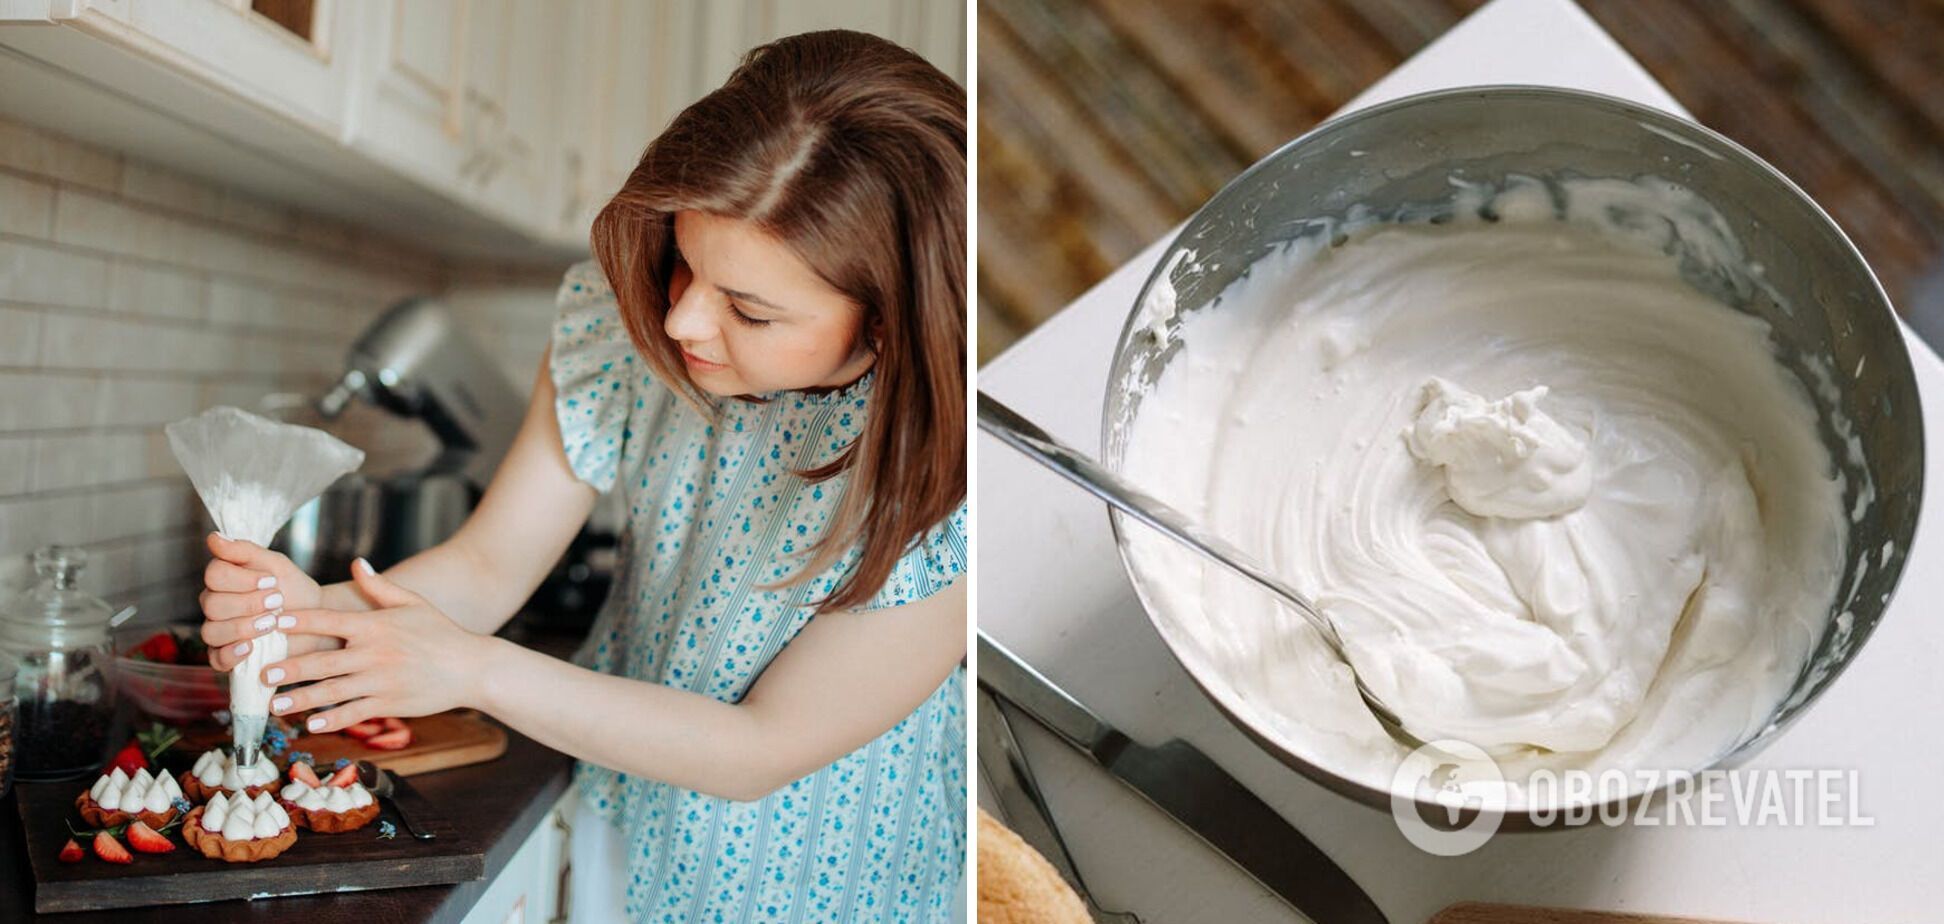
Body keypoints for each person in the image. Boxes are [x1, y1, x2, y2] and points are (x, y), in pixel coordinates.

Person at [196, 29, 966, 922]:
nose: (681, 320)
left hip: (830, 891)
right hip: (626, 829)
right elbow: (487, 569)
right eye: (685, 261)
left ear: (885, 324)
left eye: (748, 310)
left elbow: (758, 748)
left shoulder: (945, 479)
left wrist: (476, 672)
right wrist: (310, 619)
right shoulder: (626, 332)